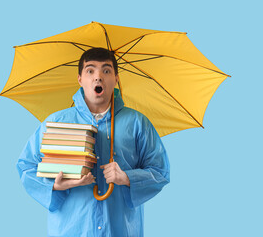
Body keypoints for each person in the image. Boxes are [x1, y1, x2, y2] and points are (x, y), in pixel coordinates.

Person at [17, 48, 170, 236]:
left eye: (106, 71)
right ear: (80, 79)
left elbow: (160, 171)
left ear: (116, 79)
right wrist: (56, 186)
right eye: (90, 71)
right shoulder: (56, 122)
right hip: (71, 230)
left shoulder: (138, 123)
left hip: (120, 230)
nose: (98, 77)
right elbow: (26, 166)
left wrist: (127, 177)